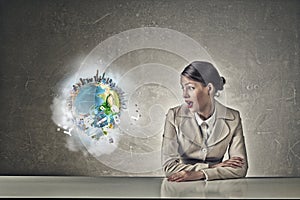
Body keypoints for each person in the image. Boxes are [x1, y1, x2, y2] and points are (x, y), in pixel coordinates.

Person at [161, 61, 248, 181]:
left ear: (209, 88)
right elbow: (169, 167)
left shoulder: (233, 117)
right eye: (183, 88)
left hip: (219, 189)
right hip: (182, 190)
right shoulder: (174, 116)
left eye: (191, 88)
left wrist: (200, 174)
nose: (184, 95)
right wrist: (212, 167)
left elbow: (240, 168)